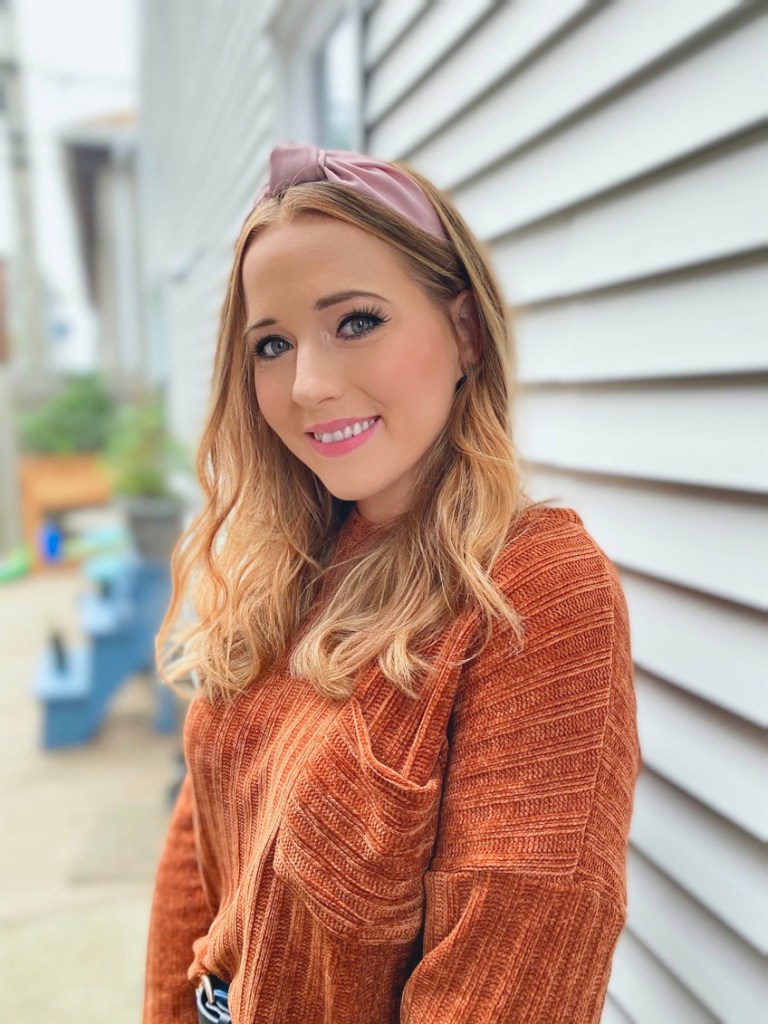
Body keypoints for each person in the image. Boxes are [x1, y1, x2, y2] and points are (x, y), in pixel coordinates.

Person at [143, 142, 641, 1024]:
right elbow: (202, 841)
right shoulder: (290, 564)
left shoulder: (535, 592)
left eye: (357, 322)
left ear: (465, 332)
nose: (307, 385)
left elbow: (502, 985)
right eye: (271, 344)